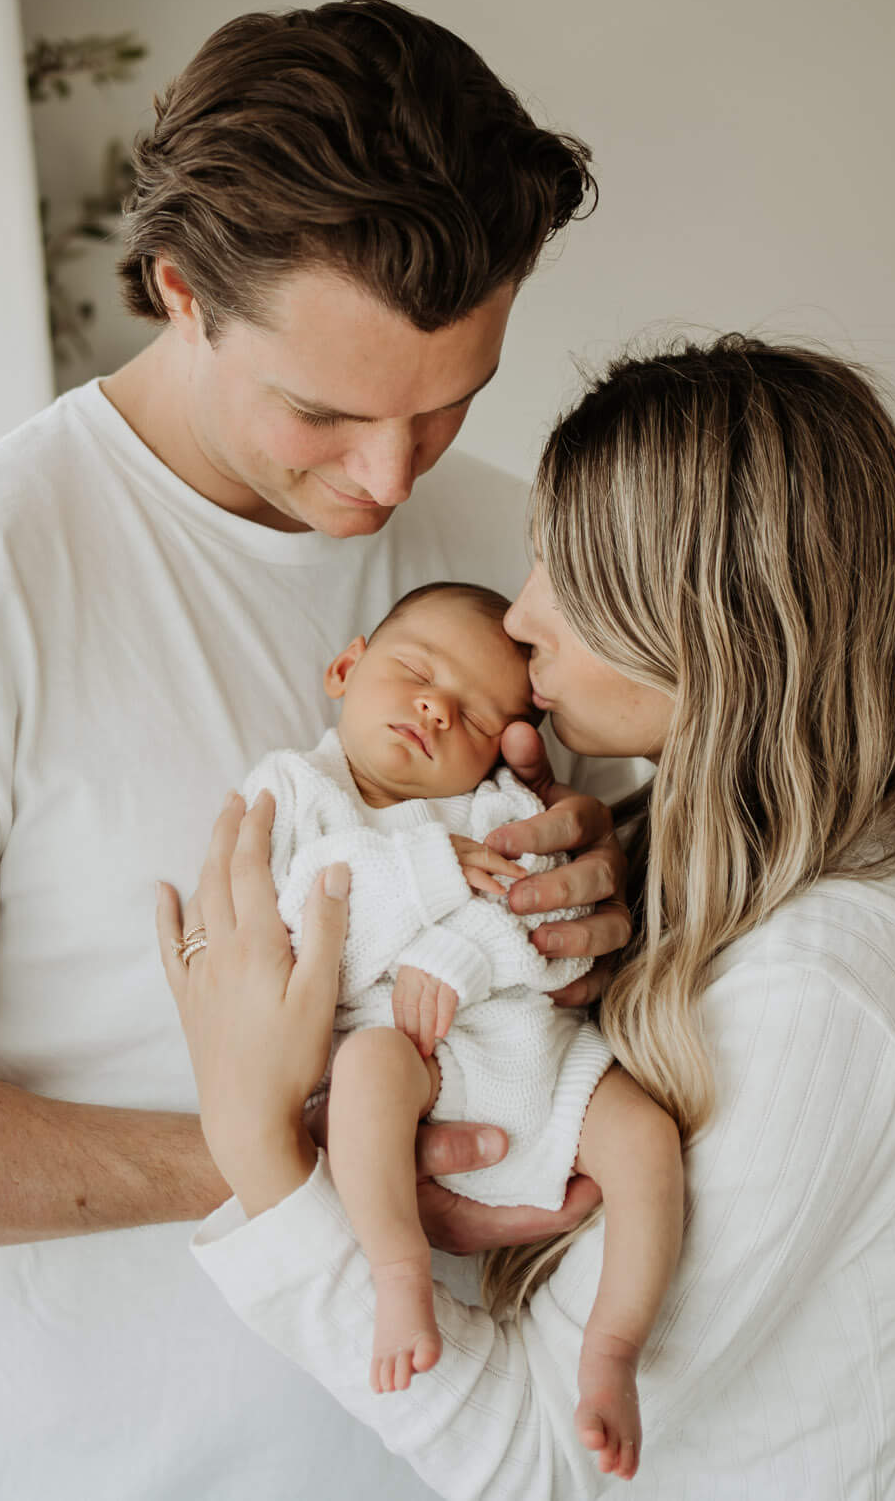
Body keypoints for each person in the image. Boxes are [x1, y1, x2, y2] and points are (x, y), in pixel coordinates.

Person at [0, 0, 636, 1501]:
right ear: (178, 291)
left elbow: (575, 988)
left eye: (448, 398)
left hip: (472, 1450)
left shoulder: (509, 550)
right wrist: (278, 1158)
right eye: (324, 410)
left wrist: (595, 901)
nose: (389, 475)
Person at [160, 337, 895, 1497]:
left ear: (709, 628)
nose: (521, 621)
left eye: (563, 575)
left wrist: (257, 1145)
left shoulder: (832, 991)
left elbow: (545, 1454)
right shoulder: (751, 861)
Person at [234, 580, 684, 1474]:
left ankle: (614, 1349)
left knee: (648, 1139)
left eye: (478, 717)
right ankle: (400, 1278)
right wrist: (433, 867)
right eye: (414, 672)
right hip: (406, 1059)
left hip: (529, 1051)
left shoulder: (498, 809)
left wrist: (468, 954)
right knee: (364, 1073)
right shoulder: (296, 791)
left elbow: (554, 939)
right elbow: (305, 914)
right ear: (345, 667)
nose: (438, 707)